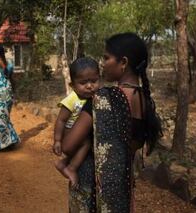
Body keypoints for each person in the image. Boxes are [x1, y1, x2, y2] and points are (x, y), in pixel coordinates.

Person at [62, 33, 162, 212]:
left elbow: (68, 146)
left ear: (123, 62)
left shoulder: (105, 99)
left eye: (106, 58)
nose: (102, 63)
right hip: (120, 190)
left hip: (91, 187)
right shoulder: (143, 99)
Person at [53, 57, 100, 187]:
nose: (90, 86)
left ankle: (63, 163)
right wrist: (57, 140)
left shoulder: (96, 98)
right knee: (86, 142)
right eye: (83, 83)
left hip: (77, 131)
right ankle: (71, 168)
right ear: (72, 85)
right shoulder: (71, 100)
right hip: (69, 132)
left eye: (94, 81)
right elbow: (61, 120)